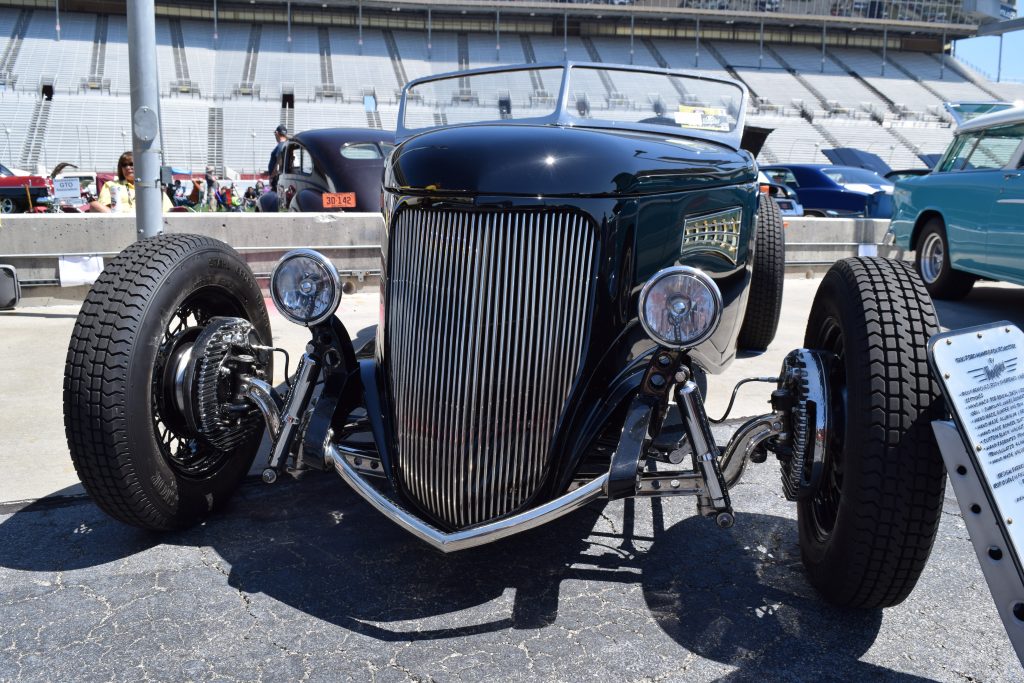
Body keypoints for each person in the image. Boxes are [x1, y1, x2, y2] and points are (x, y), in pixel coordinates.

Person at [89, 151, 171, 213]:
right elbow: (103, 207)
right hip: (120, 221)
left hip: (146, 221)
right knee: (94, 205)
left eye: (132, 164)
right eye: (124, 165)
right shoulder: (110, 185)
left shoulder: (151, 186)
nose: (128, 167)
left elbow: (167, 209)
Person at [267, 124, 288, 192]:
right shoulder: (286, 144)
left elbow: (279, 162)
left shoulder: (280, 146)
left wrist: (272, 176)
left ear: (277, 133)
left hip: (277, 178)